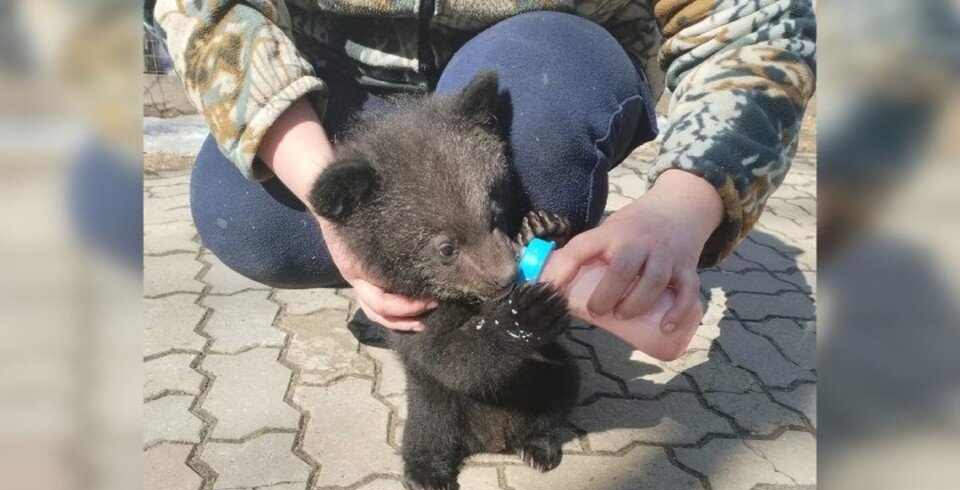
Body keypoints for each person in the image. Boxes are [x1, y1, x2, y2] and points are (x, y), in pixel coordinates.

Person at [154, 0, 815, 332]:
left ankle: (523, 316)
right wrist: (321, 188)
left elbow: (750, 27)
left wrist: (684, 205)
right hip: (346, 89)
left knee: (539, 120)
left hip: (536, 68)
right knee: (245, 213)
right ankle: (428, 305)